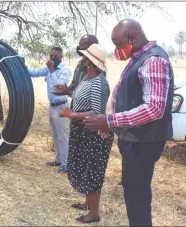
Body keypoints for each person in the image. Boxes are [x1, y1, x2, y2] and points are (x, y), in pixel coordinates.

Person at [84, 19, 174, 227]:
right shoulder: (139, 57)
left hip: (143, 142)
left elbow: (154, 108)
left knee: (137, 197)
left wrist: (110, 121)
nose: (117, 51)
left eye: (118, 44)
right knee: (133, 191)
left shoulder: (153, 60)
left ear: (132, 38)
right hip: (135, 139)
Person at [59, 44, 113, 223]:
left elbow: (96, 114)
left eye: (85, 57)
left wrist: (71, 114)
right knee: (83, 167)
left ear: (91, 63)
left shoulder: (99, 83)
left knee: (92, 171)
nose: (82, 59)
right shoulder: (87, 79)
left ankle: (93, 213)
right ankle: (87, 204)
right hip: (82, 131)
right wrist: (66, 91)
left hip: (92, 133)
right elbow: (79, 96)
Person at [28, 47, 72, 173]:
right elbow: (34, 73)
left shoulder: (65, 70)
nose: (52, 59)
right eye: (51, 56)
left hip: (61, 106)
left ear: (61, 57)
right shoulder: (48, 68)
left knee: (62, 136)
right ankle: (58, 159)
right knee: (55, 134)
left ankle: (66, 164)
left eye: (55, 57)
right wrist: (21, 64)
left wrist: (52, 70)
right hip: (52, 106)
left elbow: (59, 86)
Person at [53, 35, 100, 108]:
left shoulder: (97, 67)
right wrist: (66, 89)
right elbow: (74, 84)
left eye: (81, 45)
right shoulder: (80, 64)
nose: (78, 47)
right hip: (75, 108)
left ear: (91, 47)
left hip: (87, 113)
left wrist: (68, 92)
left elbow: (89, 95)